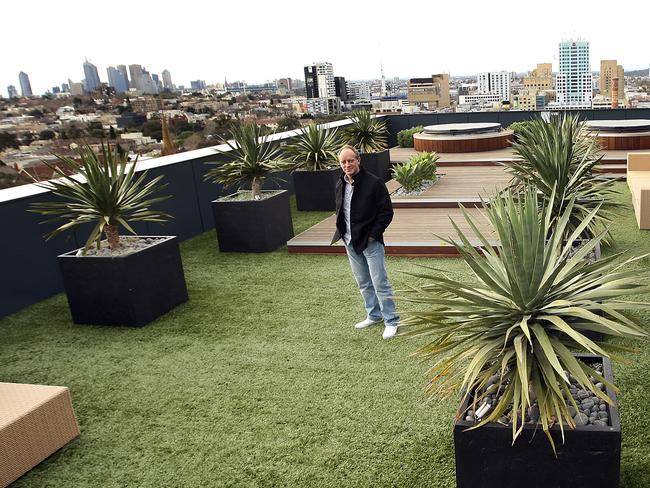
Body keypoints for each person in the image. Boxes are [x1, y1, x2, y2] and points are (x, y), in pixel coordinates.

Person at [331, 145, 400, 339]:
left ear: (358, 160)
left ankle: (392, 320)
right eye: (343, 162)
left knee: (380, 283)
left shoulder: (375, 183)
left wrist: (373, 235)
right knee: (363, 282)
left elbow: (387, 212)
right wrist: (343, 234)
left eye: (350, 160)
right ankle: (374, 315)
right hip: (349, 241)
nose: (347, 164)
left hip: (370, 242)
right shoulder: (340, 183)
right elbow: (340, 210)